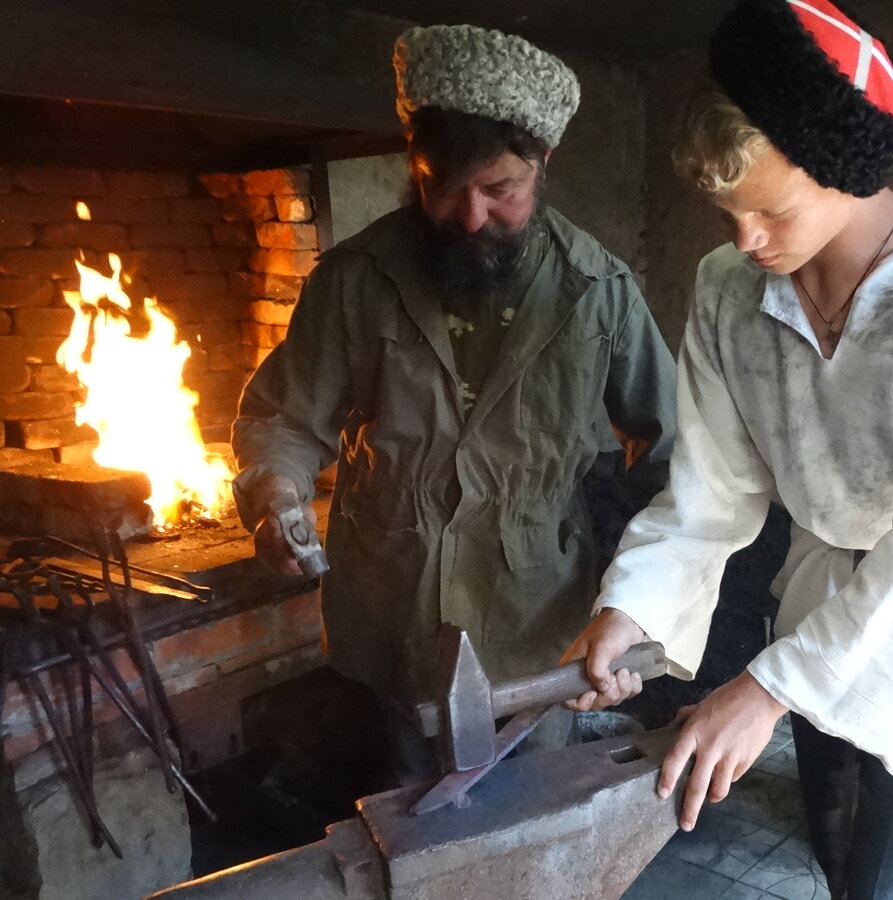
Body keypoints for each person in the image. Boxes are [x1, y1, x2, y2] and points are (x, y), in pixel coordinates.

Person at [562, 1, 893, 897]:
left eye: (772, 210)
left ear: (849, 174)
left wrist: (768, 689)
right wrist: (631, 606)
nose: (747, 240)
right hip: (820, 610)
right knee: (843, 864)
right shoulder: (729, 292)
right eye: (727, 214)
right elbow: (710, 490)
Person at [232, 23, 675, 776]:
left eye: (500, 191)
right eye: (441, 185)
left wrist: (638, 604)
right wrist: (276, 498)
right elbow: (284, 417)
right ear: (414, 164)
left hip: (536, 617)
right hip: (391, 603)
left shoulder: (597, 292)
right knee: (417, 805)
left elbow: (674, 456)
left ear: (543, 163)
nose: (469, 217)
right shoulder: (353, 280)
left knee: (536, 806)